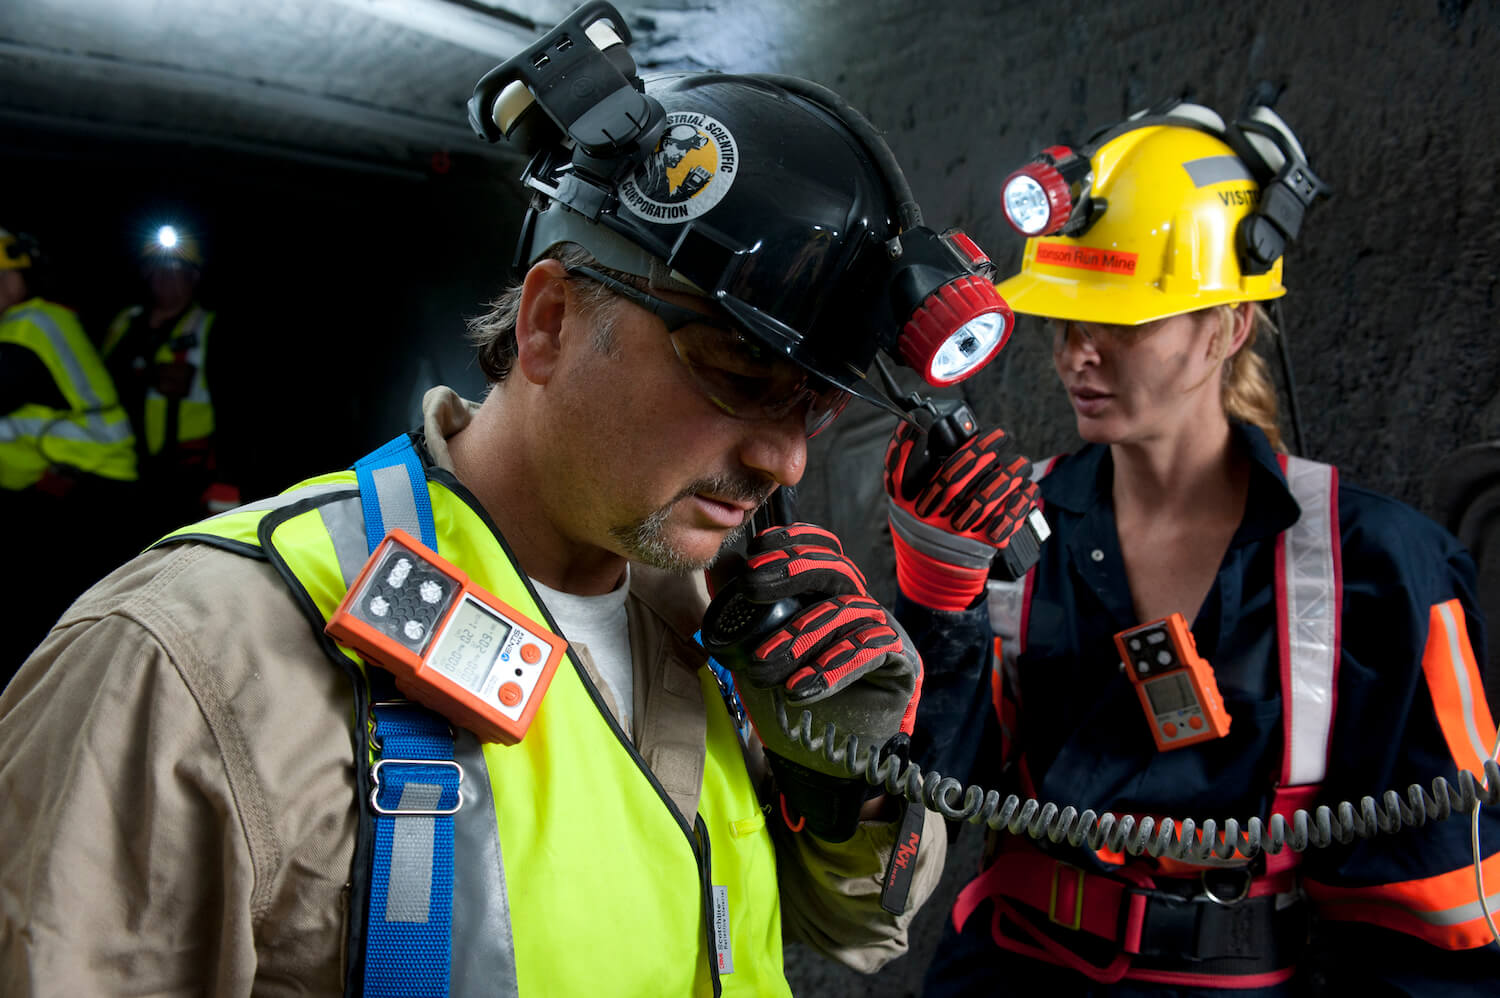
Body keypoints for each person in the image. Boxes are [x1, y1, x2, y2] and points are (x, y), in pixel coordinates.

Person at [0, 13, 1017, 992]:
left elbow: (862, 930)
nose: (787, 460)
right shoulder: (196, 660)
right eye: (742, 378)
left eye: (819, 407)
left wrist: (840, 773)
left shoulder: (724, 625)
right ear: (548, 321)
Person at [885, 100, 1500, 993]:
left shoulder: (1380, 565)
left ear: (1229, 327)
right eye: (1064, 321)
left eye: (1123, 324)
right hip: (1008, 973)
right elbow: (913, 811)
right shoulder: (1001, 530)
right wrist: (935, 602)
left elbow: (1436, 927)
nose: (1078, 357)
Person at [0, 227, 137, 684]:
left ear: (28, 277)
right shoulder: (23, 324)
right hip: (66, 480)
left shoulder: (28, 324)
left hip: (89, 481)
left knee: (65, 621)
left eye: (6, 275)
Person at [102, 222, 237, 533]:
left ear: (194, 276)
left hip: (186, 472)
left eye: (175, 268)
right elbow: (97, 380)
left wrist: (226, 478)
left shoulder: (211, 327)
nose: (164, 277)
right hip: (124, 462)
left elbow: (233, 407)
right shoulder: (127, 321)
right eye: (156, 267)